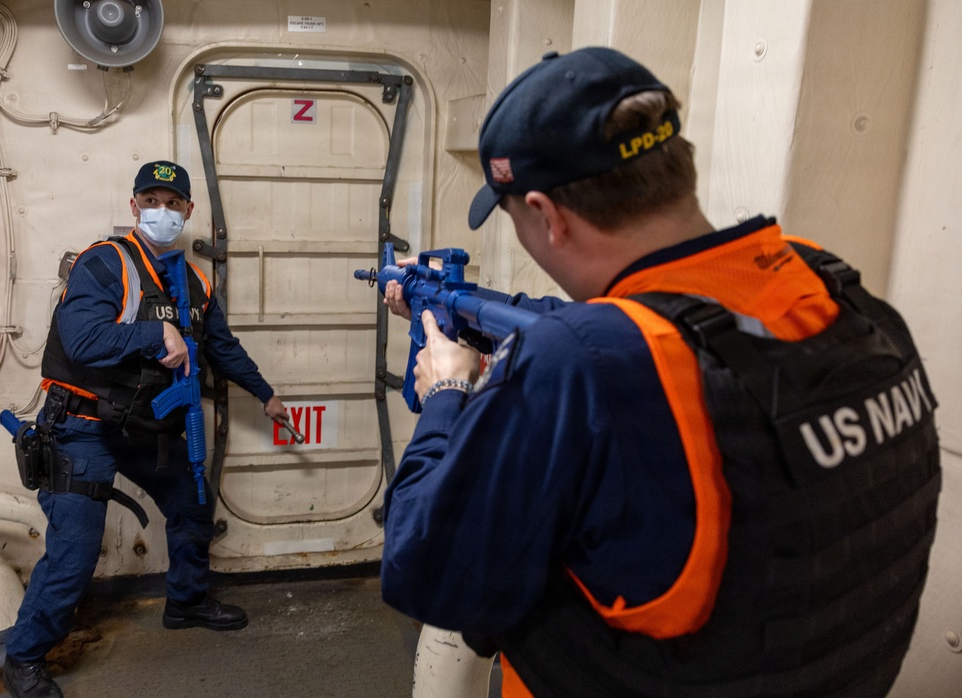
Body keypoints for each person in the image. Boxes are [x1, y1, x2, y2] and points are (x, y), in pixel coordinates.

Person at [379, 48, 941, 697]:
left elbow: (423, 569)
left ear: (548, 215)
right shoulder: (833, 289)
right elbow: (636, 326)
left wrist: (446, 391)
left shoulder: (582, 362)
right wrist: (474, 318)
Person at [2, 161, 291, 698]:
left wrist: (266, 395)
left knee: (191, 501)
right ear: (134, 207)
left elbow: (222, 348)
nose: (162, 210)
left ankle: (185, 602)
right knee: (76, 552)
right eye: (151, 200)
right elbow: (83, 339)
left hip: (143, 426)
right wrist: (154, 330)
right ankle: (23, 657)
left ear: (188, 211)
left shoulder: (195, 281)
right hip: (81, 429)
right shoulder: (104, 264)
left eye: (172, 202)